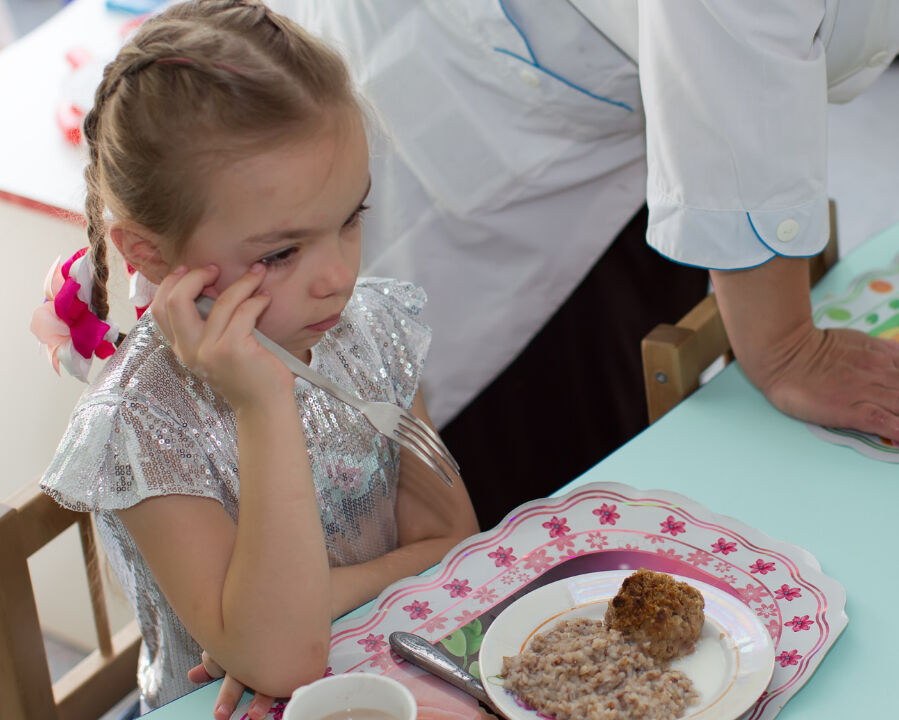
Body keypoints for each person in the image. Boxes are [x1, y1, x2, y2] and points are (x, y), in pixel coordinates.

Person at [272, 0, 899, 528]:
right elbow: (735, 51)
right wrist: (786, 347)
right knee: (546, 462)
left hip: (612, 92)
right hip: (487, 92)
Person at [33, 1, 478, 717]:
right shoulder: (140, 423)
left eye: (351, 219)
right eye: (281, 252)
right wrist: (262, 403)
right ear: (151, 254)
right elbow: (284, 659)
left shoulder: (368, 330)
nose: (338, 276)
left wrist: (296, 612)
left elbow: (456, 544)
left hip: (386, 675)